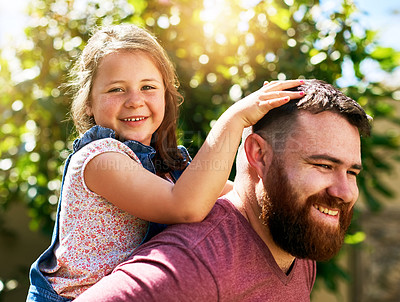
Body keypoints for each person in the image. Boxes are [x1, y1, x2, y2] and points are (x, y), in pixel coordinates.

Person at [26, 23, 305, 302]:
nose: (135, 101)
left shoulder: (169, 166)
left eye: (148, 86)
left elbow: (240, 200)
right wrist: (234, 119)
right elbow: (185, 207)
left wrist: (254, 131)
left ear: (165, 95)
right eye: (116, 90)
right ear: (88, 102)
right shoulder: (99, 158)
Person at [74, 79, 372, 302]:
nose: (344, 191)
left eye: (352, 172)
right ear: (259, 155)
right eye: (322, 165)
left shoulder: (296, 237)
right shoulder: (193, 263)